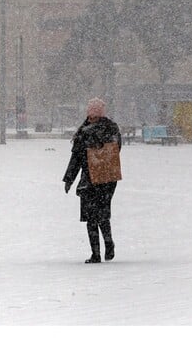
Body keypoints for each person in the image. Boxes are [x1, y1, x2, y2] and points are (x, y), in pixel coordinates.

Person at [62, 98, 122, 264]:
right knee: (94, 217)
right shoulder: (110, 128)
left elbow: (77, 157)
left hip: (96, 180)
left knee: (97, 216)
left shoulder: (86, 131)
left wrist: (69, 178)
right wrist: (69, 178)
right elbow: (116, 149)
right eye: (91, 114)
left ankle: (104, 247)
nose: (92, 117)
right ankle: (99, 250)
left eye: (94, 114)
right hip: (103, 179)